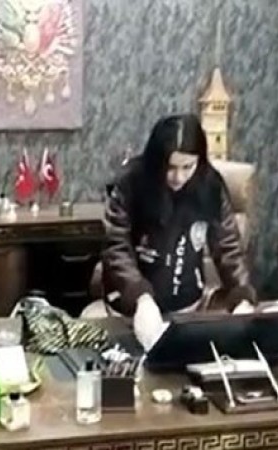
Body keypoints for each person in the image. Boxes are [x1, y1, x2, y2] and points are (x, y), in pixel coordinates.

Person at [101, 114, 256, 350]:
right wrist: (141, 297)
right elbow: (116, 245)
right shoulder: (132, 182)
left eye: (187, 167)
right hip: (133, 309)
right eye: (171, 167)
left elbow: (228, 246)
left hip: (188, 309)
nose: (179, 177)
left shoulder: (211, 185)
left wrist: (242, 295)